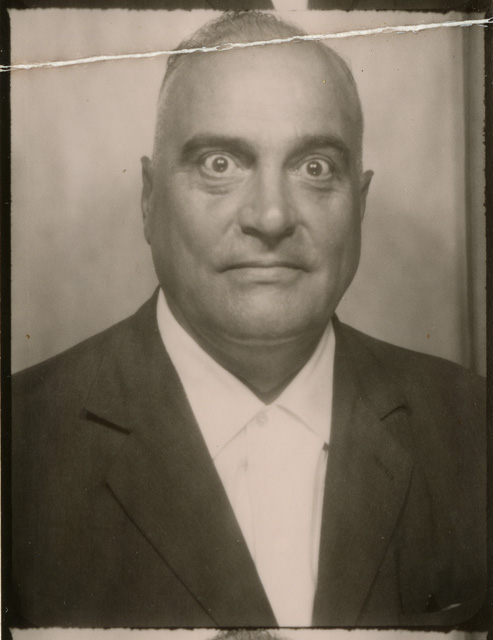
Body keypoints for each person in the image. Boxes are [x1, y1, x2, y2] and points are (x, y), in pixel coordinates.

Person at [11, 11, 486, 629]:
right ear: (150, 199)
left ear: (360, 204)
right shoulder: (19, 446)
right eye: (220, 164)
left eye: (315, 168)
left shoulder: (475, 432)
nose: (270, 217)